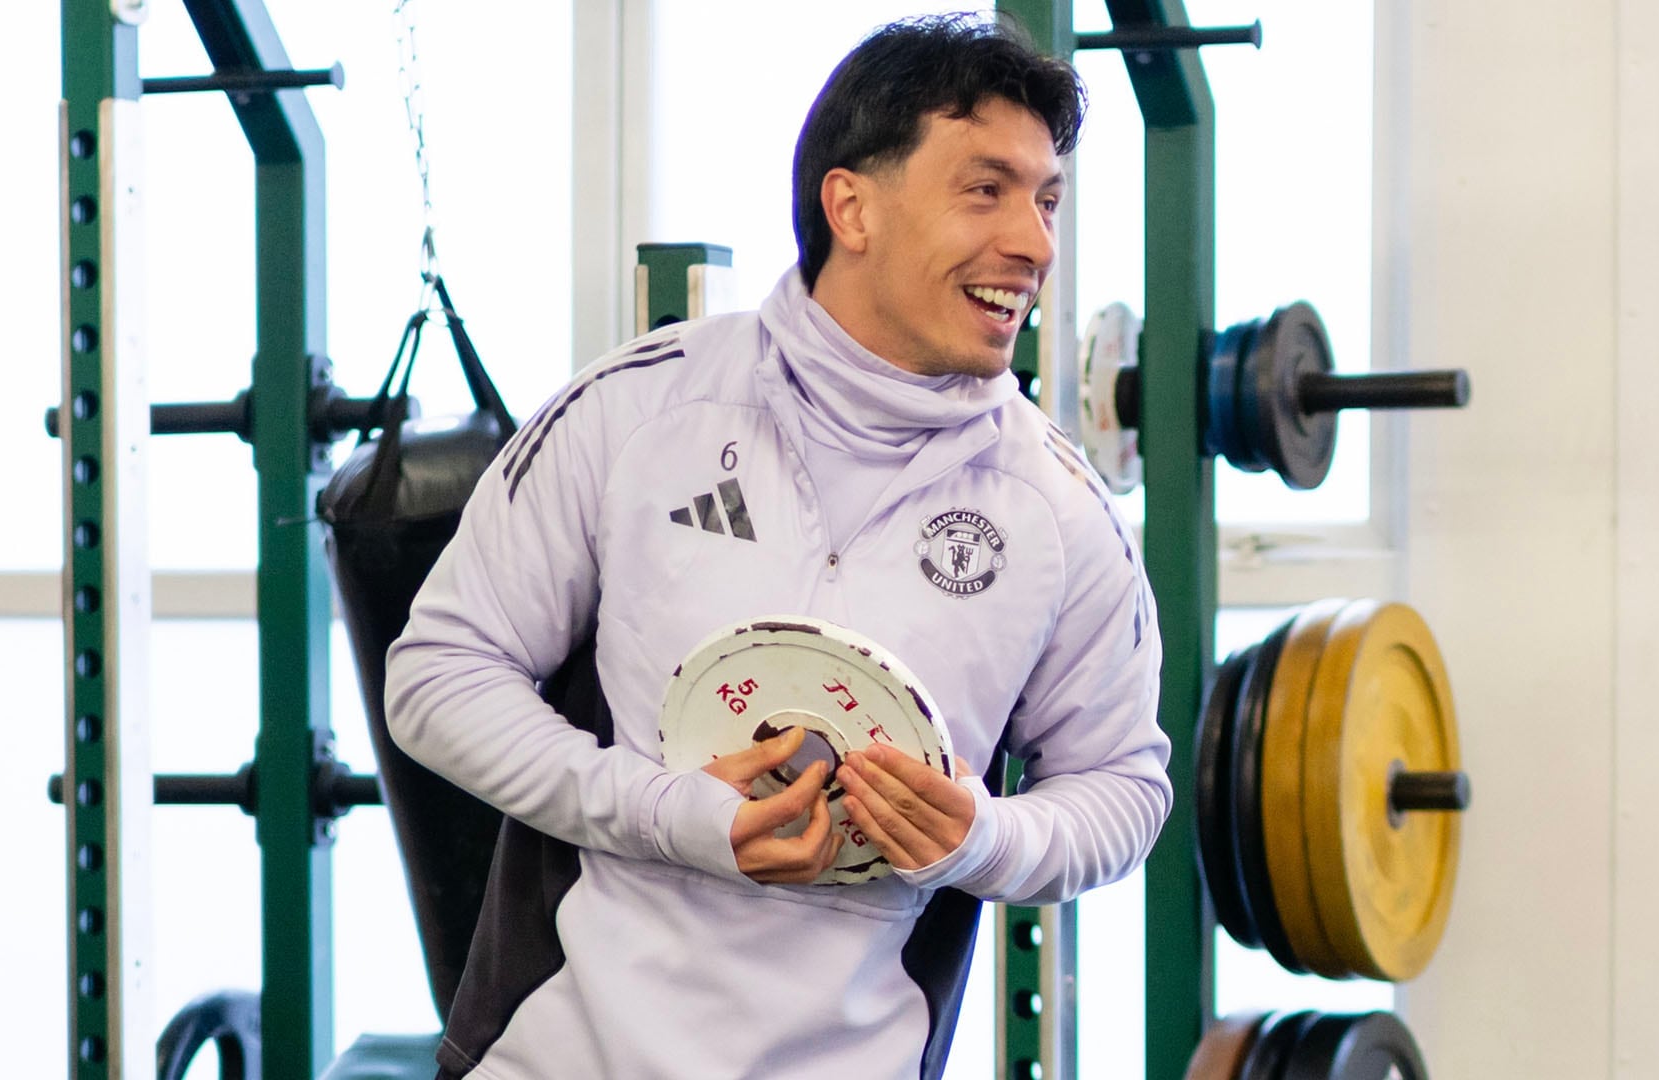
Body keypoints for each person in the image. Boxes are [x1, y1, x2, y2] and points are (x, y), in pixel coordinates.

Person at [385, 13, 1170, 1080]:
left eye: (1045, 200)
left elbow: (1123, 787)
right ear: (851, 205)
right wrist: (668, 812)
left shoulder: (1061, 510)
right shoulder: (638, 412)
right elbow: (437, 676)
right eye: (985, 190)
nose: (1033, 242)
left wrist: (984, 840)